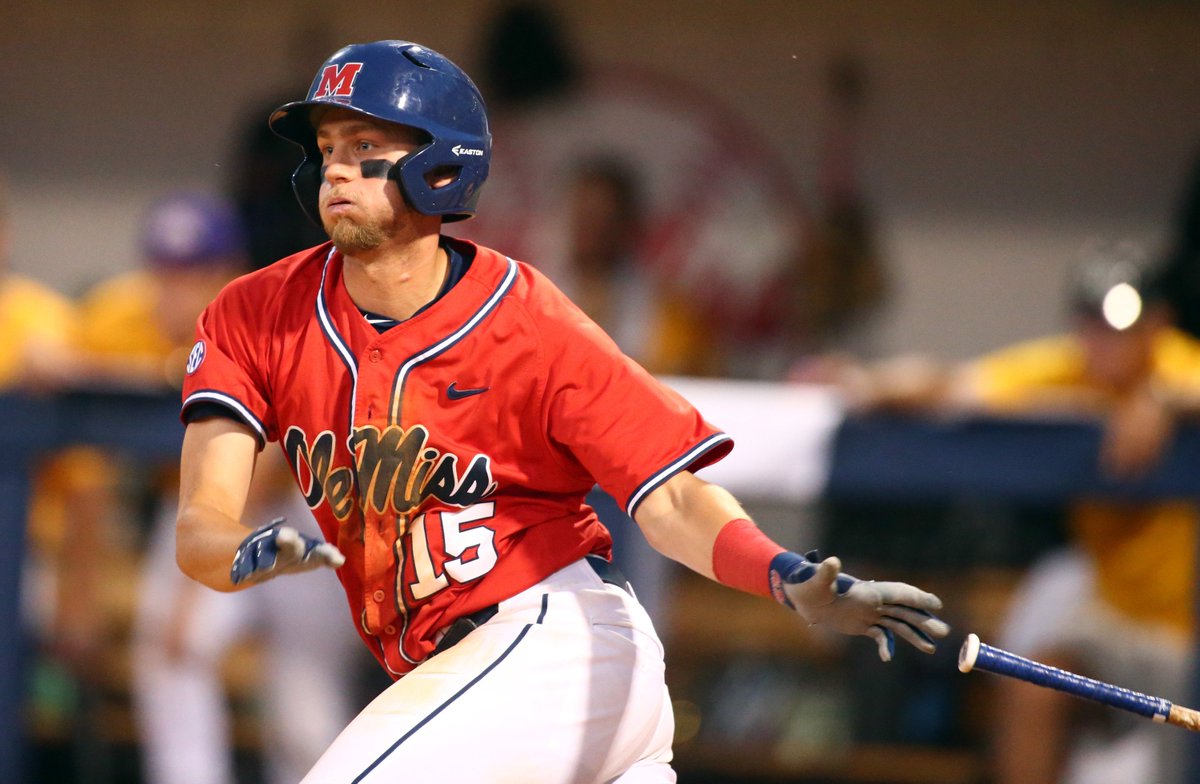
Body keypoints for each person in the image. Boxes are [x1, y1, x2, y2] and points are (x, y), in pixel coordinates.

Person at [173, 40, 949, 782]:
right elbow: (201, 522)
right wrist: (236, 550)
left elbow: (670, 495)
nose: (338, 170)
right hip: (476, 684)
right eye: (330, 148)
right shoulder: (255, 314)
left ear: (442, 167)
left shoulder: (529, 322)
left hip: (554, 645)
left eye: (366, 147)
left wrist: (784, 575)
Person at [825, 240, 1200, 784]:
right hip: (1116, 619)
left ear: (1158, 323)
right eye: (1093, 323)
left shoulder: (1179, 365)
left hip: (1187, 635)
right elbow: (957, 384)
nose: (1106, 342)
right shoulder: (1069, 370)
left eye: (1123, 326)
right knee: (1033, 688)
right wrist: (864, 384)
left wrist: (1166, 402)